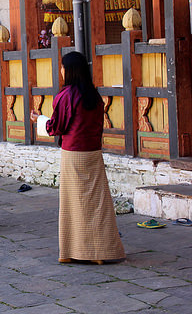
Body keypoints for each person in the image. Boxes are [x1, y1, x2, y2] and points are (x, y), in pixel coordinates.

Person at [31, 51, 125, 264]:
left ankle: (74, 251)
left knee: (74, 204)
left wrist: (39, 119)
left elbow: (57, 126)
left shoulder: (65, 96)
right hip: (93, 152)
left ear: (70, 70)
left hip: (73, 155)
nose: (61, 71)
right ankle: (100, 252)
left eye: (63, 67)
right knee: (96, 203)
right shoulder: (94, 96)